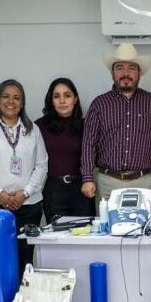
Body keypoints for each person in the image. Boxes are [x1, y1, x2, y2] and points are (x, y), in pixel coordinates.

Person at [0, 78, 48, 273]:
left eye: (16, 97)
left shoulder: (32, 130)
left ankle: (22, 292)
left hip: (28, 205)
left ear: (22, 103)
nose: (10, 101)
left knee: (24, 257)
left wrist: (25, 193)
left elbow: (42, 165)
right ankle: (1, 294)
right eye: (5, 96)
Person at [80, 43, 151, 202]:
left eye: (131, 68)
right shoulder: (99, 104)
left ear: (139, 73)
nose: (126, 73)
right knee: (107, 220)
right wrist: (87, 178)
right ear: (112, 72)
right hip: (108, 183)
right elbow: (88, 143)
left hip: (142, 181)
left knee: (145, 220)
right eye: (120, 68)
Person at [35, 78, 94, 224]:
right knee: (57, 234)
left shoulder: (86, 125)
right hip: (53, 190)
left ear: (75, 99)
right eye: (57, 96)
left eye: (67, 95)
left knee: (84, 233)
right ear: (51, 100)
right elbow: (16, 129)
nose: (62, 101)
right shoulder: (39, 126)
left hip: (82, 188)